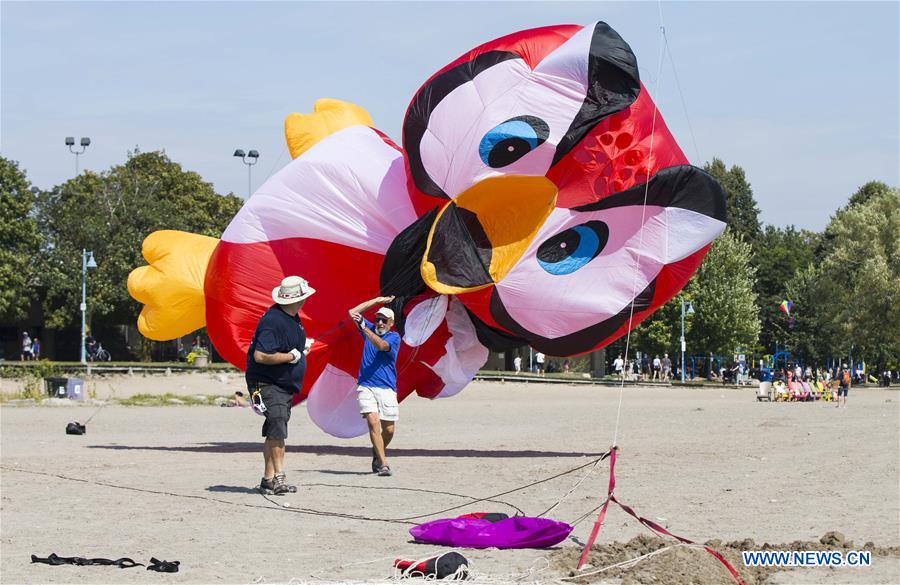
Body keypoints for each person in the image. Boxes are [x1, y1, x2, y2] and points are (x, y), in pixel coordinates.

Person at [246, 275, 316, 495]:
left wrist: (301, 349)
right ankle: (279, 477)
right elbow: (260, 355)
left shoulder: (292, 317)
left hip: (282, 385)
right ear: (298, 298)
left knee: (274, 428)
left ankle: (268, 479)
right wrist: (291, 357)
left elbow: (286, 345)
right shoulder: (273, 321)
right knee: (277, 426)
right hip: (267, 383)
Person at [349, 296, 400, 477]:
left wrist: (364, 328)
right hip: (366, 385)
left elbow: (381, 346)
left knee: (389, 429)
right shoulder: (369, 328)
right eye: (377, 319)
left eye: (384, 320)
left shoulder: (394, 337)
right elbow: (353, 312)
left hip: (386, 387)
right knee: (373, 423)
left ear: (391, 323)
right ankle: (383, 464)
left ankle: (377, 452)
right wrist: (377, 301)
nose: (379, 323)